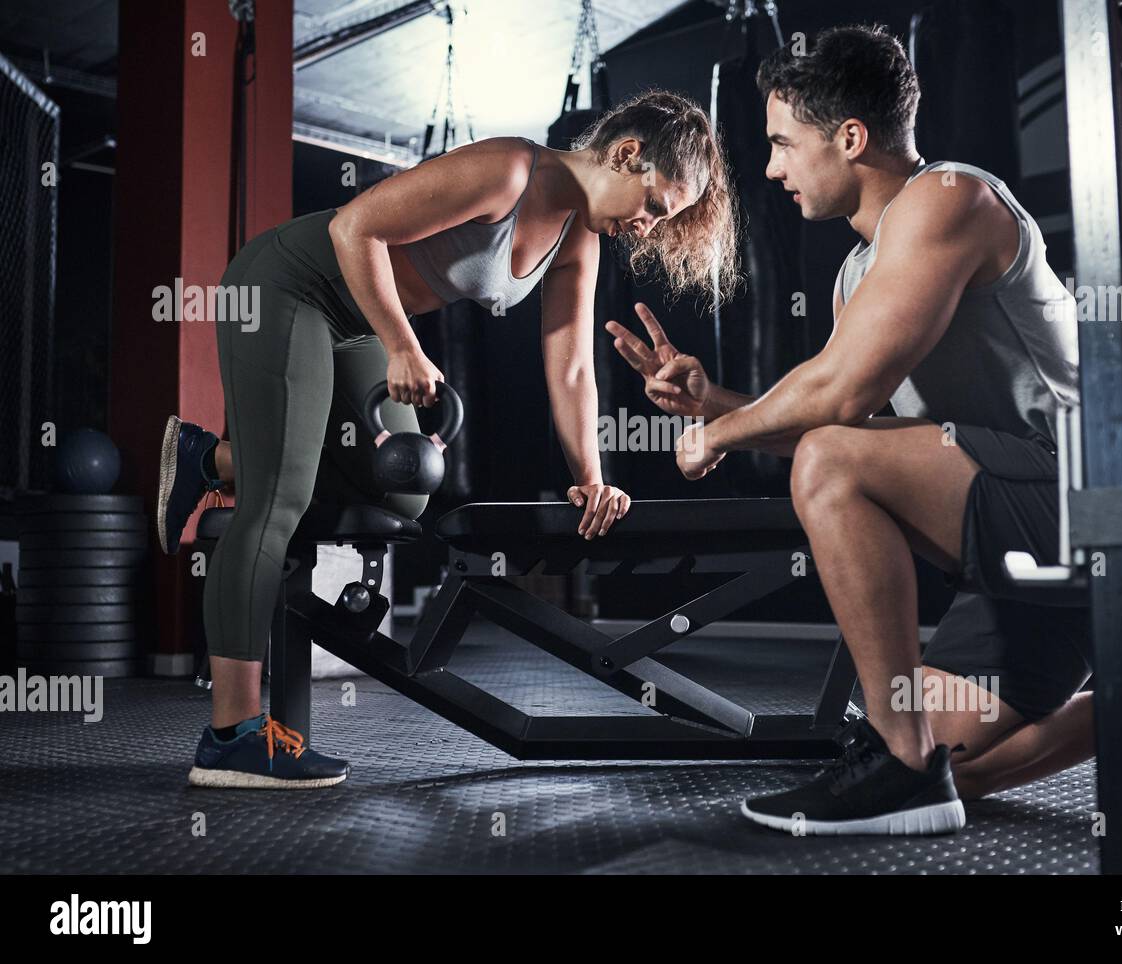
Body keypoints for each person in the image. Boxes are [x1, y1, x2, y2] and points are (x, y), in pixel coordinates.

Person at [608, 25, 1122, 834]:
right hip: (1016, 533)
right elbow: (844, 437)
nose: (771, 169)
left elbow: (841, 404)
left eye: (783, 145)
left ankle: (899, 770)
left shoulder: (950, 200)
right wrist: (715, 406)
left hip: (1104, 498)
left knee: (897, 736)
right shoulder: (854, 276)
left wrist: (722, 438)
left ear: (851, 138)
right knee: (952, 761)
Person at [156, 90, 740, 789]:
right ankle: (232, 736)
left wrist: (590, 473)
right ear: (625, 154)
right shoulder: (508, 171)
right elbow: (354, 230)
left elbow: (573, 359)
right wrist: (404, 347)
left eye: (663, 221)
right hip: (291, 287)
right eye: (654, 205)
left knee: (403, 490)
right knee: (279, 498)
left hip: (357, 325)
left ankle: (212, 459)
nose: (647, 228)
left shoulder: (577, 234)